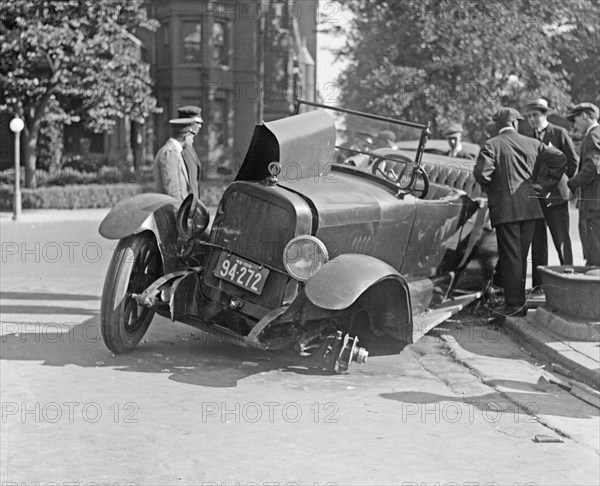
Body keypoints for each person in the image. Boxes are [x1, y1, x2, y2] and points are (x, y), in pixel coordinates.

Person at [474, 107, 567, 317]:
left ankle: (514, 305)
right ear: (515, 123)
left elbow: (482, 173)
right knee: (521, 256)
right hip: (532, 208)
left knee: (511, 258)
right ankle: (516, 302)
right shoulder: (533, 143)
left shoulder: (491, 145)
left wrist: (494, 188)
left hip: (505, 210)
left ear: (497, 126)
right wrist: (543, 185)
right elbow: (560, 159)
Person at [524, 98, 579, 292]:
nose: (532, 119)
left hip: (556, 196)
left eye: (535, 115)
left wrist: (564, 184)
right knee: (538, 242)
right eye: (529, 116)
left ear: (545, 114)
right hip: (536, 198)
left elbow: (573, 162)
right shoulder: (528, 136)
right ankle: (539, 286)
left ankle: (570, 282)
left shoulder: (559, 133)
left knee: (561, 239)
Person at [566, 102, 600, 266]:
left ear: (585, 116)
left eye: (576, 119)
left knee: (595, 251)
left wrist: (572, 183)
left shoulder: (594, 135)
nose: (575, 124)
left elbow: (592, 167)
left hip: (595, 201)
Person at [153, 118, 198, 203]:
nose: (193, 140)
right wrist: (180, 214)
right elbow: (173, 192)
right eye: (192, 136)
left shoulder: (175, 152)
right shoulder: (169, 153)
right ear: (186, 135)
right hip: (173, 212)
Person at [177, 105, 203, 198]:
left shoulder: (190, 146)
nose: (200, 126)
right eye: (197, 122)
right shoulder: (183, 148)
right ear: (188, 124)